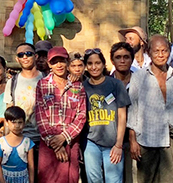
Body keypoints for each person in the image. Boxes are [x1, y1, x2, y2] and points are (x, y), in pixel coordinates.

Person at [127, 35, 173, 183]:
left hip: (169, 139)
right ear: (148, 53)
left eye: (164, 51)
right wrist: (132, 140)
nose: (161, 55)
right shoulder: (139, 77)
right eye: (156, 51)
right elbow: (132, 109)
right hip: (145, 139)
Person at [35, 47, 86, 183]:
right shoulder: (42, 85)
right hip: (49, 142)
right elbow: (40, 116)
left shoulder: (77, 86)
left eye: (62, 61)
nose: (59, 65)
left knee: (70, 178)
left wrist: (64, 137)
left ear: (67, 62)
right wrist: (56, 144)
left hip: (71, 141)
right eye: (54, 62)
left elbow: (81, 115)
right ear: (49, 64)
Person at [82, 48, 130, 183]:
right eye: (90, 64)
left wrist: (119, 144)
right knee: (94, 179)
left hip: (113, 142)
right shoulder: (82, 87)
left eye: (97, 63)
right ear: (86, 66)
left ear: (103, 64)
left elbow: (122, 116)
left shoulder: (115, 84)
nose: (94, 67)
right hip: (90, 142)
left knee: (114, 180)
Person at [4, 42, 43, 178]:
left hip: (42, 140)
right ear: (17, 59)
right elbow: (8, 113)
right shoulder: (12, 82)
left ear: (36, 56)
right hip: (19, 139)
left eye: (29, 54)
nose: (25, 57)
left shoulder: (45, 79)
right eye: (21, 55)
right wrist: (7, 141)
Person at [109, 42, 137, 183]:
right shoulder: (104, 82)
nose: (122, 60)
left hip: (136, 140)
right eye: (118, 57)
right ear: (112, 60)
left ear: (132, 59)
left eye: (126, 57)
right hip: (111, 142)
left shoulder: (141, 81)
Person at [0, 106, 35, 183]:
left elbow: (31, 166)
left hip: (22, 179)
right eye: (13, 122)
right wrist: (2, 181)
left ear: (24, 123)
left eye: (20, 122)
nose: (17, 126)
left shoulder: (28, 143)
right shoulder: (1, 142)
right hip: (5, 179)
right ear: (6, 122)